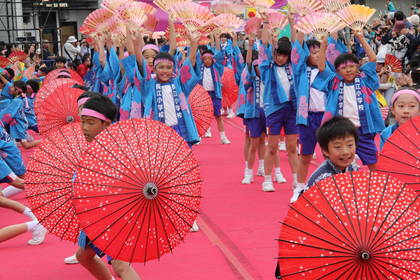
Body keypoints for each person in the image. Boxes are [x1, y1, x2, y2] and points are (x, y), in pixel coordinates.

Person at [76, 95, 140, 280]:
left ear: (106, 124)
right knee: (84, 256)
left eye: (91, 123)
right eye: (83, 122)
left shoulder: (115, 149)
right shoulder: (95, 146)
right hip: (97, 215)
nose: (85, 128)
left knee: (121, 266)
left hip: (117, 214)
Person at [313, 32, 385, 170]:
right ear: (337, 71)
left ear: (358, 67)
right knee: (338, 165)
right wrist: (323, 46)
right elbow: (322, 67)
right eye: (343, 68)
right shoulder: (334, 82)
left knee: (373, 163)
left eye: (351, 66)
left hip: (363, 130)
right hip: (341, 131)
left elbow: (373, 59)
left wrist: (361, 38)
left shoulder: (364, 79)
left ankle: (377, 189)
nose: (348, 70)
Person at [259, 17, 298, 192]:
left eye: (284, 55)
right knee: (272, 146)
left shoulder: (293, 67)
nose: (281, 58)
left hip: (291, 109)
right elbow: (265, 46)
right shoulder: (267, 67)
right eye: (278, 54)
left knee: (292, 147)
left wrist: (293, 21)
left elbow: (298, 46)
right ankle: (267, 179)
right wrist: (266, 23)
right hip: (274, 109)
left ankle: (297, 181)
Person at [237, 36, 266, 184]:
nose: (260, 69)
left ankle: (261, 167)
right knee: (252, 141)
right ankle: (248, 172)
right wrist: (250, 46)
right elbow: (248, 64)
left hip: (266, 112)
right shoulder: (250, 78)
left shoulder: (269, 78)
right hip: (252, 111)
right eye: (257, 67)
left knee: (263, 141)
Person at [196, 34, 231, 144]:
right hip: (203, 95)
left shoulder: (217, 68)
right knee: (202, 116)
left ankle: (223, 136)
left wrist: (216, 37)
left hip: (215, 94)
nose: (207, 61)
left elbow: (219, 54)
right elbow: (195, 57)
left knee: (218, 116)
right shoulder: (199, 68)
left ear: (212, 59)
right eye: (204, 59)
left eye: (209, 59)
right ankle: (201, 135)